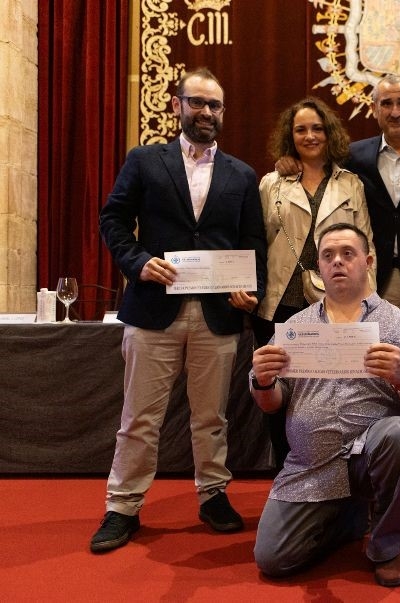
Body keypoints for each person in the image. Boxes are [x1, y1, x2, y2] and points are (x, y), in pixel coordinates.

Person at [277, 75, 400, 511]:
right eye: (387, 103)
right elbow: (318, 166)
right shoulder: (358, 156)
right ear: (376, 109)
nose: (396, 111)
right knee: (368, 378)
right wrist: (287, 162)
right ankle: (369, 472)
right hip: (374, 287)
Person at [91, 67, 267, 553]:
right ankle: (122, 506)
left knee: (211, 416)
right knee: (139, 417)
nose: (206, 112)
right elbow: (113, 219)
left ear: (222, 113)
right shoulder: (146, 161)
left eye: (215, 106)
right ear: (177, 105)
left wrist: (249, 290)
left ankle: (213, 495)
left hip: (219, 317)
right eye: (197, 103)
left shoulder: (242, 173)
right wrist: (138, 262)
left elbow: (252, 241)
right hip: (152, 311)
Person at [250, 223, 400, 587]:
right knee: (272, 559)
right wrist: (262, 381)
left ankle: (387, 547)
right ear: (319, 268)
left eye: (347, 254)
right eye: (328, 256)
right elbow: (271, 405)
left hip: (371, 456)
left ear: (367, 261)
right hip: (311, 467)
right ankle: (349, 516)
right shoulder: (294, 327)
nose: (337, 262)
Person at [254, 97, 376, 472]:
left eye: (317, 128)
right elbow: (257, 242)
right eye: (301, 129)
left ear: (330, 133)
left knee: (331, 393)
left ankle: (335, 476)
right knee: (280, 393)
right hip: (280, 303)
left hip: (335, 305)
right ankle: (286, 475)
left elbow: (366, 244)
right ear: (290, 137)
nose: (310, 135)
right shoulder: (271, 183)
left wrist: (368, 306)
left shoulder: (351, 183)